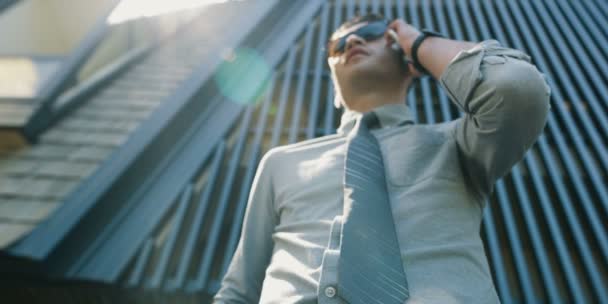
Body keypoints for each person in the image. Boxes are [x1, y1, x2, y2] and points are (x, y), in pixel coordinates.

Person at [213, 13, 551, 304]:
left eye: (373, 33)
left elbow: (516, 87)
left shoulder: (458, 143)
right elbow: (238, 291)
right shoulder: (281, 161)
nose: (353, 40)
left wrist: (419, 43)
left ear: (408, 62)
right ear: (333, 84)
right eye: (338, 45)